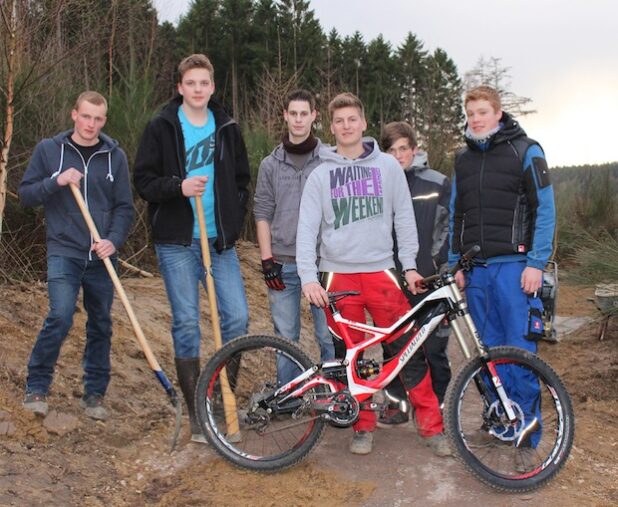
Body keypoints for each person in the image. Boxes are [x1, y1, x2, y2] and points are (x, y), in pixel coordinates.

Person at [296, 92, 449, 456]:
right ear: (330, 127)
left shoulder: (387, 167)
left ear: (363, 123)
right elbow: (306, 230)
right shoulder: (320, 175)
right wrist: (308, 278)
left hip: (381, 272)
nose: (346, 126)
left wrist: (409, 266)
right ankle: (362, 426)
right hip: (338, 277)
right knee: (354, 357)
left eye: (352, 119)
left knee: (406, 350)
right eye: (339, 121)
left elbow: (404, 220)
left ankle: (431, 427)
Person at [133, 54, 250, 443]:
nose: (198, 89)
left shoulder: (227, 126)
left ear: (212, 87)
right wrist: (177, 187)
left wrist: (232, 219)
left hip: (219, 243)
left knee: (236, 318)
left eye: (205, 83)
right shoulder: (162, 126)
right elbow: (144, 181)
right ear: (180, 87)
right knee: (187, 324)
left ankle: (220, 397)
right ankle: (199, 413)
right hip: (178, 243)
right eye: (191, 83)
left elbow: (240, 179)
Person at [449, 86, 555, 463]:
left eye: (482, 111)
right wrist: (455, 263)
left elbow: (545, 209)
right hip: (476, 271)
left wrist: (536, 263)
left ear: (498, 113)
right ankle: (501, 422)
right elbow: (455, 215)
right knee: (487, 352)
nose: (476, 118)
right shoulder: (461, 160)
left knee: (518, 349)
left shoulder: (526, 150)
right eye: (470, 112)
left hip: (515, 268)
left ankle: (527, 433)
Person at [20, 91, 134, 421]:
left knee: (101, 323)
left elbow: (124, 207)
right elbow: (26, 194)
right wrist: (56, 181)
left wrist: (113, 240)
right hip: (64, 250)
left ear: (104, 121)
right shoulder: (49, 150)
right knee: (60, 315)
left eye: (98, 119)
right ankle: (37, 385)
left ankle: (94, 394)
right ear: (74, 115)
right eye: (86, 117)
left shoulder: (115, 156)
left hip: (102, 256)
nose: (91, 124)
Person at [254, 89, 334, 380]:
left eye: (305, 114)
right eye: (293, 114)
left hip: (322, 261)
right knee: (286, 336)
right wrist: (266, 260)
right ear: (285, 116)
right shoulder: (270, 165)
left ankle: (334, 393)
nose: (299, 120)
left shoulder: (329, 161)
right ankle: (288, 397)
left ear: (314, 116)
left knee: (327, 335)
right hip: (283, 262)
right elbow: (262, 212)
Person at [378, 122, 452, 426]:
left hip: (429, 279)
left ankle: (435, 407)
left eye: (403, 149)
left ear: (414, 149)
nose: (398, 156)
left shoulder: (438, 182)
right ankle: (397, 403)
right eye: (391, 150)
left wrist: (436, 264)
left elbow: (449, 227)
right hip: (390, 279)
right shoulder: (377, 184)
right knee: (393, 344)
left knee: (434, 346)